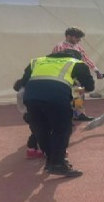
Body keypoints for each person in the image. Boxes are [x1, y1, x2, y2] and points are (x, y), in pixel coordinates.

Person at [17, 49, 95, 177]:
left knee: (41, 129)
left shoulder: (37, 61)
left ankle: (51, 161)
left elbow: (23, 82)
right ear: (78, 57)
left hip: (31, 97)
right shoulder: (76, 63)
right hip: (56, 97)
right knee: (62, 129)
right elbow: (90, 87)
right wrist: (75, 86)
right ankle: (57, 164)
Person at [53, 27, 102, 121]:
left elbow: (86, 59)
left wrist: (96, 70)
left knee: (78, 93)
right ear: (68, 36)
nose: (79, 40)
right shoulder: (59, 46)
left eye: (79, 38)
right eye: (77, 37)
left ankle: (79, 114)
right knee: (64, 94)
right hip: (64, 74)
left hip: (77, 74)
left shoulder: (78, 46)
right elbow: (56, 61)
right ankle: (63, 115)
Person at [13, 79, 41, 159]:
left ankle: (33, 150)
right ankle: (35, 149)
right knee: (38, 131)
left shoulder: (21, 92)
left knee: (35, 131)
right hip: (32, 113)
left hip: (27, 114)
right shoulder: (25, 91)